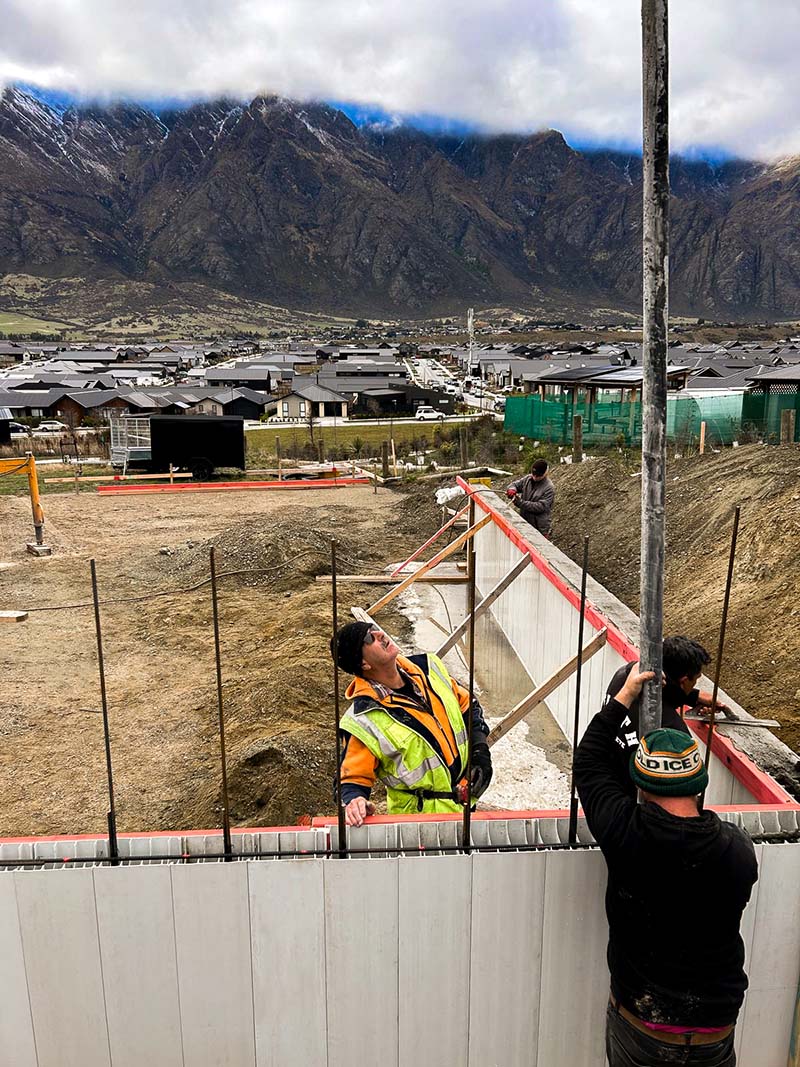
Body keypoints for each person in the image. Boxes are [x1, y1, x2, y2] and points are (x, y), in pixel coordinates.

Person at [574, 664, 758, 1067]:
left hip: (645, 1029)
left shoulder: (626, 834)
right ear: (700, 782)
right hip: (715, 1029)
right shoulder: (738, 851)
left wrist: (623, 697)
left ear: (640, 783)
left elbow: (588, 761)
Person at [330, 620, 493, 826]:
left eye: (375, 629)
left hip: (463, 807)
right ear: (363, 664)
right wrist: (355, 800)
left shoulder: (429, 670)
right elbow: (351, 778)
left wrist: (480, 752)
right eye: (369, 638)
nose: (380, 634)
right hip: (418, 823)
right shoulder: (364, 719)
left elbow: (467, 706)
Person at [604, 635, 727, 798]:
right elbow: (686, 789)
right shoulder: (671, 730)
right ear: (683, 681)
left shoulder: (624, 677)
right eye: (695, 680)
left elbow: (658, 687)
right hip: (630, 803)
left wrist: (692, 696)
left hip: (605, 780)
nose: (695, 684)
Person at [506, 459, 555, 537]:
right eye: (533, 474)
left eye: (538, 476)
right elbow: (515, 484)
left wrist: (520, 503)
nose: (535, 477)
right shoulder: (528, 479)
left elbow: (540, 507)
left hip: (539, 528)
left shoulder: (549, 488)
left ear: (545, 474)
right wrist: (512, 489)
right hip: (525, 523)